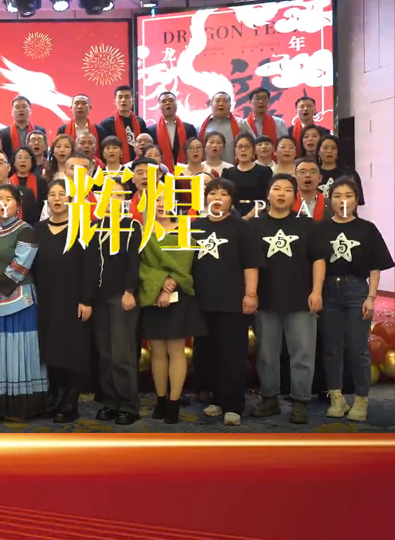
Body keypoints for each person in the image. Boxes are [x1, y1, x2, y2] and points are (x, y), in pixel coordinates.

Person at [315, 177, 394, 421]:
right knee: (331, 348)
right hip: (329, 290)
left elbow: (375, 268)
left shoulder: (367, 229)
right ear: (330, 200)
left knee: (358, 348)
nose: (343, 200)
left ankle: (361, 400)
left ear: (356, 199)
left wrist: (371, 297)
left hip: (357, 290)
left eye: (348, 195)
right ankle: (337, 398)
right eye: (337, 196)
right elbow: (317, 263)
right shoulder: (322, 228)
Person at [249, 174, 324, 424]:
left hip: (301, 299)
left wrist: (317, 291)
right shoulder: (255, 226)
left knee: (302, 353)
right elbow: (249, 264)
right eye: (277, 189)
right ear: (268, 194)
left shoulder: (307, 225)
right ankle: (269, 398)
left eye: (287, 190)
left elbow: (318, 260)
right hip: (265, 299)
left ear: (295, 196)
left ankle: (300, 401)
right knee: (267, 354)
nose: (281, 194)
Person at [191, 179, 263, 426]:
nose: (217, 198)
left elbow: (251, 263)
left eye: (223, 194)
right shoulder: (195, 226)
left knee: (232, 354)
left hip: (233, 302)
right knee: (207, 353)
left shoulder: (241, 227)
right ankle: (215, 399)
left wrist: (251, 294)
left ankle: (232, 405)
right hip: (202, 301)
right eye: (213, 193)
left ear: (231, 200)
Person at [32, 180, 100, 423]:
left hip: (75, 300)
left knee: (75, 350)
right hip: (47, 299)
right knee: (52, 348)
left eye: (62, 194)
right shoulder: (38, 229)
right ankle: (57, 395)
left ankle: (72, 401)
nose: (57, 199)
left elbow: (92, 267)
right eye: (52, 194)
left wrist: (86, 300)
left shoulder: (83, 229)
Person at [0, 184, 45, 420]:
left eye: (9, 199)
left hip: (20, 301)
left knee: (19, 350)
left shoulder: (26, 230)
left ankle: (22, 405)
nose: (3, 203)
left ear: (18, 205)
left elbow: (22, 262)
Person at [138, 191, 204, 424]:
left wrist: (169, 286)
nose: (160, 204)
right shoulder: (143, 232)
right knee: (157, 351)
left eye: (165, 199)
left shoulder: (183, 229)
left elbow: (185, 263)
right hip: (151, 296)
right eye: (156, 200)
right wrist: (158, 284)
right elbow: (140, 266)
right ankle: (161, 400)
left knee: (176, 350)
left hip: (179, 296)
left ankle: (174, 403)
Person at [93, 178, 144, 425]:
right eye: (108, 195)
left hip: (121, 296)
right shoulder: (93, 227)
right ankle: (110, 401)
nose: (112, 199)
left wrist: (129, 290)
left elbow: (134, 261)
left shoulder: (131, 226)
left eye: (118, 195)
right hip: (99, 298)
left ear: (124, 200)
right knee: (104, 353)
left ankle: (129, 404)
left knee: (122, 354)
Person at [222, 134, 273, 218]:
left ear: (253, 150)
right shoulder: (228, 173)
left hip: (258, 216)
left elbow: (265, 199)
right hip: (233, 217)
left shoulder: (264, 171)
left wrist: (247, 217)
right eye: (240, 147)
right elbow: (226, 199)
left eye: (247, 146)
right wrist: (236, 217)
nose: (243, 150)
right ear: (235, 150)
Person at [148, 91, 197, 171]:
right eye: (164, 101)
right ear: (159, 106)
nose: (167, 103)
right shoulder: (151, 130)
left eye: (171, 100)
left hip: (185, 171)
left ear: (176, 104)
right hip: (160, 172)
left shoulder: (189, 128)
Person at [198, 91, 252, 163]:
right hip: (207, 168)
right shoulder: (201, 126)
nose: (221, 103)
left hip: (234, 167)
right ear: (211, 104)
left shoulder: (241, 124)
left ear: (230, 105)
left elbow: (253, 144)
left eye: (225, 101)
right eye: (217, 101)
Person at [100, 85, 148, 164]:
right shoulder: (107, 123)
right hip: (116, 165)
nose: (123, 100)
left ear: (133, 101)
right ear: (115, 101)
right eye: (120, 97)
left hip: (139, 164)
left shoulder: (140, 122)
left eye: (127, 97)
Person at [317, 134, 365, 205]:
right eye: (325, 148)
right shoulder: (313, 172)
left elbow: (358, 200)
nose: (329, 151)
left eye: (334, 148)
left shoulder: (349, 173)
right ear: (318, 152)